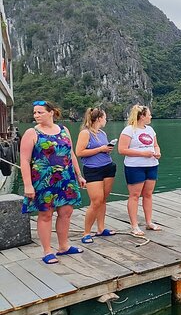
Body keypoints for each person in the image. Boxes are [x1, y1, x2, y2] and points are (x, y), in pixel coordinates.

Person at [20, 100, 86, 264]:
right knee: (46, 214)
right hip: (43, 181)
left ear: (51, 112)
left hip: (66, 179)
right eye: (34, 112)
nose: (36, 115)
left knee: (66, 212)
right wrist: (28, 184)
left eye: (40, 112)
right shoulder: (32, 133)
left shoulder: (64, 130)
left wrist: (79, 175)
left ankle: (64, 246)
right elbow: (24, 160)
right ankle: (47, 251)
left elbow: (70, 154)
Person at [75, 107, 117, 244]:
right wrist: (101, 149)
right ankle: (86, 232)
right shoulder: (85, 133)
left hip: (107, 167)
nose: (106, 120)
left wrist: (107, 150)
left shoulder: (102, 133)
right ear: (99, 118)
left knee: (103, 199)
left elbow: (102, 149)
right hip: (93, 170)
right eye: (105, 117)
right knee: (96, 201)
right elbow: (79, 152)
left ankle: (101, 228)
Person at [118, 104, 161, 237]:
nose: (150, 116)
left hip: (152, 165)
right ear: (142, 116)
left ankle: (149, 222)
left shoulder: (150, 130)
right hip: (134, 166)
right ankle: (134, 226)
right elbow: (122, 150)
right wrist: (143, 154)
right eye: (149, 114)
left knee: (148, 194)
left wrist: (157, 152)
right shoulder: (129, 130)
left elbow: (155, 145)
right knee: (135, 195)